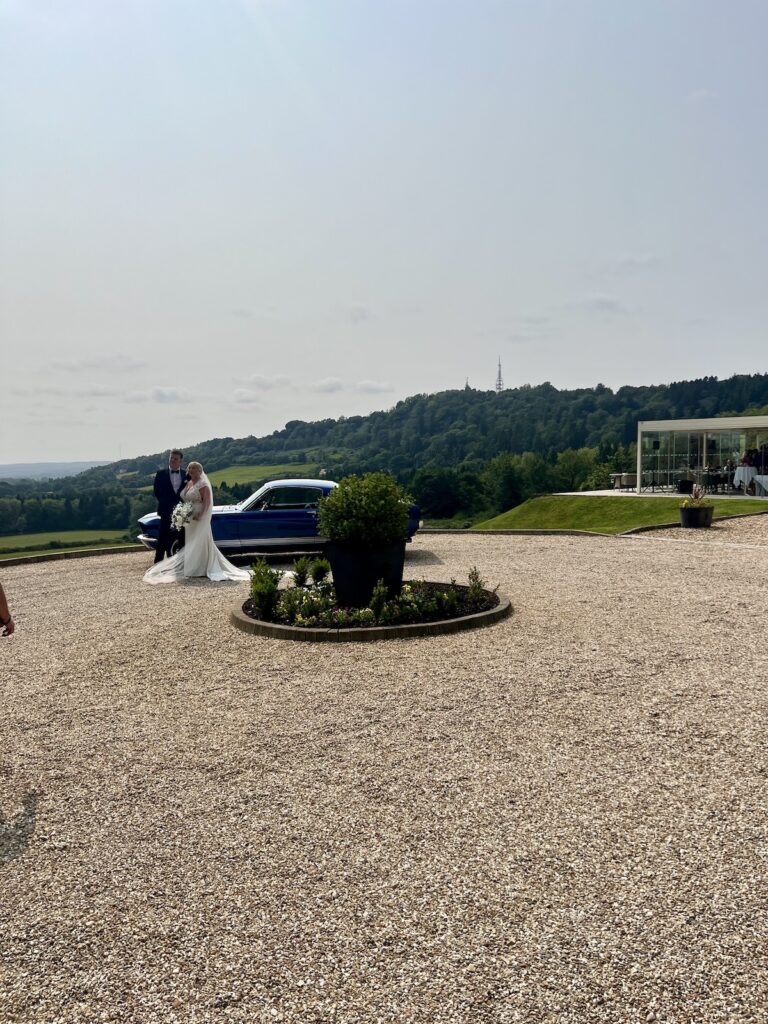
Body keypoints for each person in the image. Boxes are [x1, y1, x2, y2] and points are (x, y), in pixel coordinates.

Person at [143, 462, 250, 584]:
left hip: (200, 517)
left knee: (200, 540)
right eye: (190, 468)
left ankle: (201, 568)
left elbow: (207, 502)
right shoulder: (188, 483)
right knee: (191, 542)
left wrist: (202, 514)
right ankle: (192, 568)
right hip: (189, 517)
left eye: (194, 468)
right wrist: (181, 513)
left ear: (200, 471)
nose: (191, 469)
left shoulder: (203, 484)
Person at [152, 448, 187, 563]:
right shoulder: (160, 474)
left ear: (180, 461)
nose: (172, 460)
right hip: (165, 510)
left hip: (181, 511)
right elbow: (157, 491)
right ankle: (157, 565)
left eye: (175, 459)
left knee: (181, 538)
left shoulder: (186, 475)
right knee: (162, 538)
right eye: (171, 458)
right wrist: (165, 503)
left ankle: (180, 564)